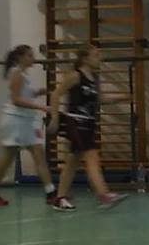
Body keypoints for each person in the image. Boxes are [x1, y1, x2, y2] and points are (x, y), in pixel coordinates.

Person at [48, 45, 126, 210]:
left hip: (89, 123)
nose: (99, 58)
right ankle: (104, 194)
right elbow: (55, 94)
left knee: (72, 162)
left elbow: (100, 99)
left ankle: (60, 198)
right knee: (92, 156)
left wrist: (121, 97)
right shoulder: (75, 76)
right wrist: (54, 118)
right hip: (76, 122)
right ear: (85, 58)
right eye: (96, 55)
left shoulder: (94, 78)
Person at [0, 45, 54, 208]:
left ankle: (51, 192)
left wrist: (38, 92)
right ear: (20, 57)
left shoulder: (23, 74)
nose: (33, 58)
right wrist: (41, 107)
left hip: (26, 120)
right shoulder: (17, 73)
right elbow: (16, 100)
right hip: (15, 120)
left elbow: (25, 94)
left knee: (38, 153)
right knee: (8, 157)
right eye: (29, 56)